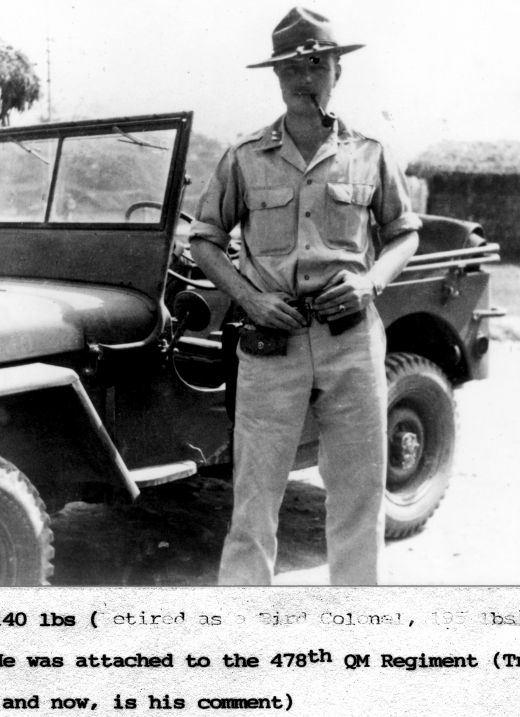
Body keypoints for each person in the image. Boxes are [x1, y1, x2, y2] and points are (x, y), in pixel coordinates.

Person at [189, 7, 421, 585]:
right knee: (254, 502)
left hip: (351, 342)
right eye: (290, 67)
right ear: (276, 76)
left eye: (316, 63)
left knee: (358, 497)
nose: (304, 77)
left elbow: (404, 232)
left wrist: (370, 281)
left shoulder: (369, 152)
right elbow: (205, 241)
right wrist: (249, 299)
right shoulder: (244, 157)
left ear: (336, 69)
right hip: (273, 344)